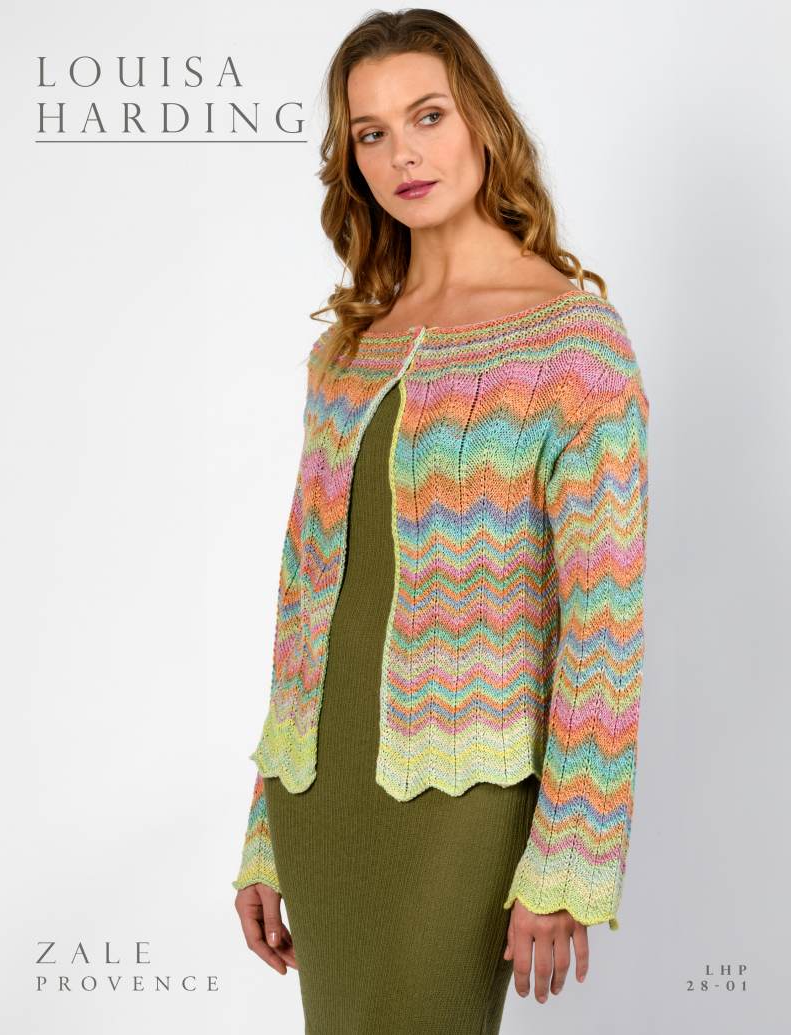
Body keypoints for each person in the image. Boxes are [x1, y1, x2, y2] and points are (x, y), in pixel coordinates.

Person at [232, 9, 649, 1033]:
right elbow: (302, 604)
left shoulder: (573, 345)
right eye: (370, 133)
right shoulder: (348, 351)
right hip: (320, 790)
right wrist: (263, 829)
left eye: (427, 115)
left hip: (469, 797)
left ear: (483, 124)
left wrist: (571, 853)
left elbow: (602, 620)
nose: (402, 154)